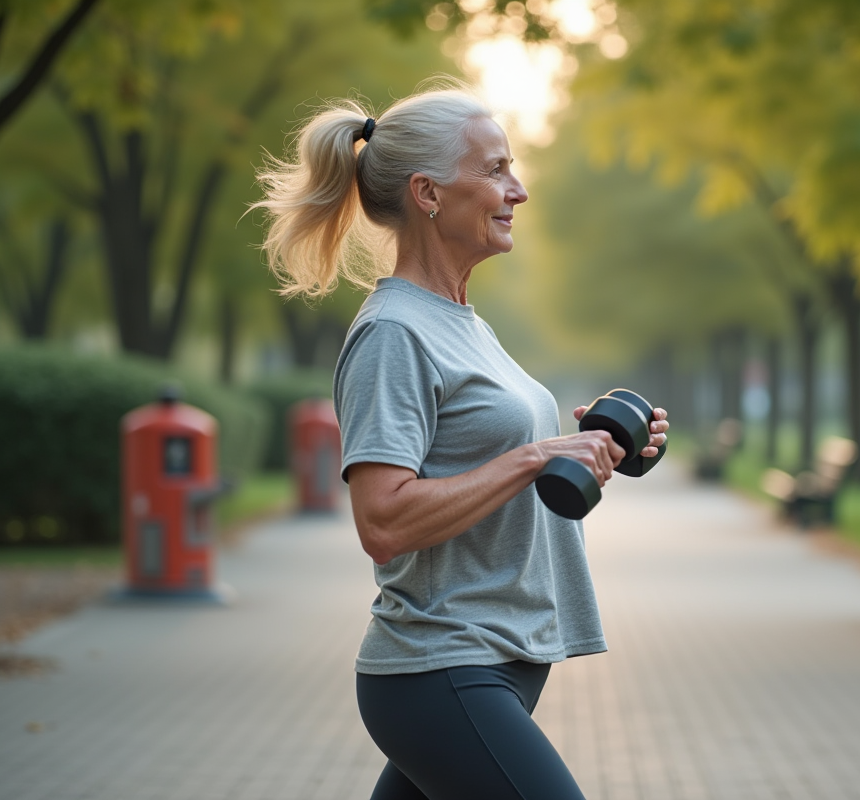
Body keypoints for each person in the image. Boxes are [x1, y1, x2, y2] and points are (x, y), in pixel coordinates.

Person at [250, 81, 668, 800]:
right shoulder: (393, 334)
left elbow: (485, 462)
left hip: (493, 662)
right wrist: (536, 455)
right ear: (428, 193)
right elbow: (382, 521)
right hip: (441, 668)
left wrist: (597, 449)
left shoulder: (463, 323)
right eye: (497, 169)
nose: (519, 190)